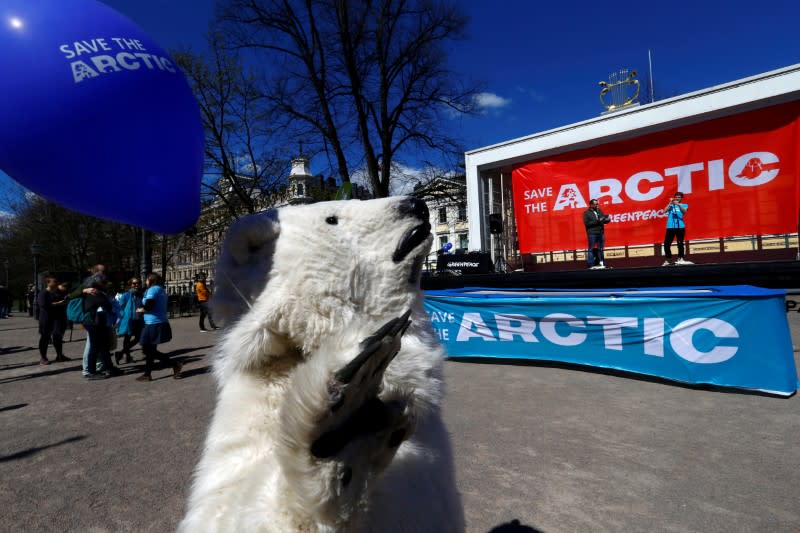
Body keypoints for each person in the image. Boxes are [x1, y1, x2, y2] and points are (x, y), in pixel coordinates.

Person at [136, 272, 181, 382]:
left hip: (153, 323)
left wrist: (141, 309)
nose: (145, 281)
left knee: (147, 350)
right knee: (150, 350)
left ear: (151, 280)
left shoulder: (152, 290)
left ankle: (175, 364)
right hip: (158, 322)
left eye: (146, 279)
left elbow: (149, 305)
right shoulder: (161, 290)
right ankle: (147, 374)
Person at [82, 277, 122, 380]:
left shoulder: (98, 292)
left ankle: (109, 367)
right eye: (103, 282)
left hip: (99, 322)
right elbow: (105, 304)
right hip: (95, 323)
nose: (106, 284)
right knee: (95, 347)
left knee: (103, 347)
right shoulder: (94, 292)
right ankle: (91, 372)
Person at [36, 276, 70, 365]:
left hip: (57, 319)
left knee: (58, 337)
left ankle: (59, 355)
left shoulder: (57, 293)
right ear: (48, 283)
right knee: (45, 338)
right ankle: (43, 358)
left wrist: (64, 302)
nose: (56, 283)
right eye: (54, 281)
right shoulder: (43, 293)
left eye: (57, 281)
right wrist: (57, 304)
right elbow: (43, 304)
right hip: (46, 319)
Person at [659, 191, 694, 266]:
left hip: (680, 227)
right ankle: (668, 259)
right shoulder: (671, 205)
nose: (677, 198)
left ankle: (680, 258)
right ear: (674, 197)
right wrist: (670, 203)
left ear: (681, 198)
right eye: (676, 197)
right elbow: (664, 211)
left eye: (679, 197)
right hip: (670, 227)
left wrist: (678, 205)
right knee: (666, 244)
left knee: (680, 243)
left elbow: (684, 212)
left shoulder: (684, 205)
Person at [115, 277, 143, 365]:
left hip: (138, 319)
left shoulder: (140, 294)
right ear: (130, 285)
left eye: (138, 283)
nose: (136, 285)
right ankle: (127, 357)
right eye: (134, 283)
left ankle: (121, 353)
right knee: (128, 338)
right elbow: (120, 307)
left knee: (138, 338)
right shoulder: (126, 295)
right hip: (128, 319)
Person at [582, 198, 611, 269]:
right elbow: (587, 223)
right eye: (596, 204)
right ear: (591, 205)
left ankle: (601, 263)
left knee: (600, 248)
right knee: (591, 249)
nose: (597, 205)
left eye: (598, 204)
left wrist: (607, 220)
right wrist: (597, 221)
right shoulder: (586, 213)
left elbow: (603, 219)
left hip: (600, 232)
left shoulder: (599, 211)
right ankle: (591, 264)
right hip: (592, 233)